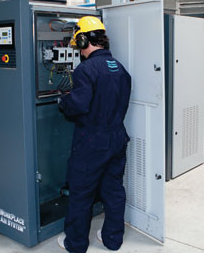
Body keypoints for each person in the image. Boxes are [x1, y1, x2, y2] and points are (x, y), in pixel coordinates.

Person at [57, 16, 132, 253]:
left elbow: (78, 106)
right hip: (117, 138)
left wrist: (63, 101)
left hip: (91, 142)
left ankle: (76, 244)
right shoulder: (119, 68)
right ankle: (112, 239)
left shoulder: (86, 69)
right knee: (113, 190)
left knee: (81, 193)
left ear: (82, 40)